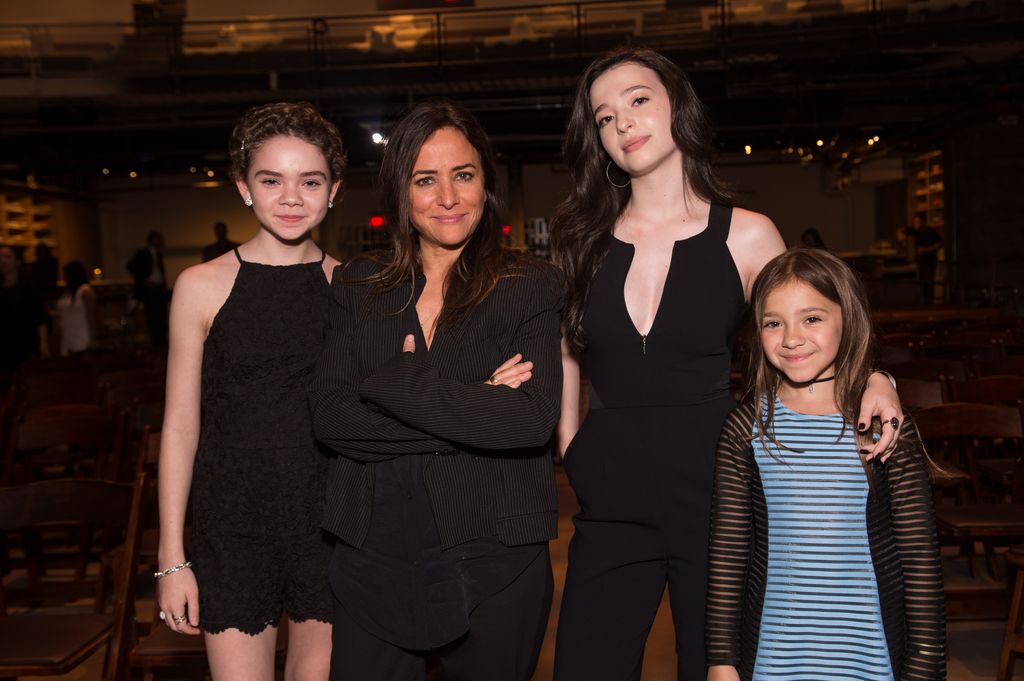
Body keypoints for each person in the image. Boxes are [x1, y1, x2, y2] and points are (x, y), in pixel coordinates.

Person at [550, 47, 903, 681]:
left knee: (715, 670)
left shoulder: (747, 234)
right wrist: (572, 446)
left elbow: (810, 331)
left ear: (677, 106)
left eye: (638, 101)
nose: (623, 123)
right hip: (609, 499)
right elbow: (568, 356)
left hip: (719, 497)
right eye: (604, 117)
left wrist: (875, 376)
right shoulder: (582, 240)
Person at [309, 99, 561, 681]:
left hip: (496, 556)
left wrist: (398, 387)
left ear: (485, 186)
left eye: (463, 175)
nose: (447, 197)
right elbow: (331, 416)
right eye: (426, 179)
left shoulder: (529, 284)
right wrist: (475, 402)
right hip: (371, 557)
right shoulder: (357, 285)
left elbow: (529, 423)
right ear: (402, 191)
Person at [156, 101, 343, 681]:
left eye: (309, 181)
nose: (291, 198)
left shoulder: (353, 287)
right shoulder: (199, 286)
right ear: (243, 187)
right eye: (271, 180)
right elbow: (182, 427)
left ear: (333, 190)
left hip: (329, 521)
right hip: (231, 523)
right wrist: (170, 557)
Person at [706, 248, 945, 681]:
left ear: (847, 319)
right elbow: (728, 555)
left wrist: (926, 664)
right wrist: (721, 660)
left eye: (811, 318)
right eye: (773, 322)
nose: (791, 338)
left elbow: (919, 560)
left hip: (871, 657)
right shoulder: (747, 428)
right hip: (774, 657)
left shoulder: (881, 425)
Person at [0, 245, 48, 381]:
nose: (2, 261)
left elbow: (40, 318)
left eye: (7, 257)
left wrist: (43, 345)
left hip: (25, 345)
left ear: (18, 261)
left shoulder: (29, 287)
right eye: (0, 257)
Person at [127, 230, 170, 345]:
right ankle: (156, 342)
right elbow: (130, 267)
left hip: (159, 290)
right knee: (153, 317)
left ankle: (161, 341)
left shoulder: (158, 254)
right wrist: (143, 281)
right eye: (158, 239)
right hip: (150, 291)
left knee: (161, 317)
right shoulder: (143, 253)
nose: (161, 242)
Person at [56, 260, 97, 355]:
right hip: (68, 334)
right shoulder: (67, 293)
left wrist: (92, 338)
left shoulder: (85, 291)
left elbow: (91, 316)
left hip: (82, 334)